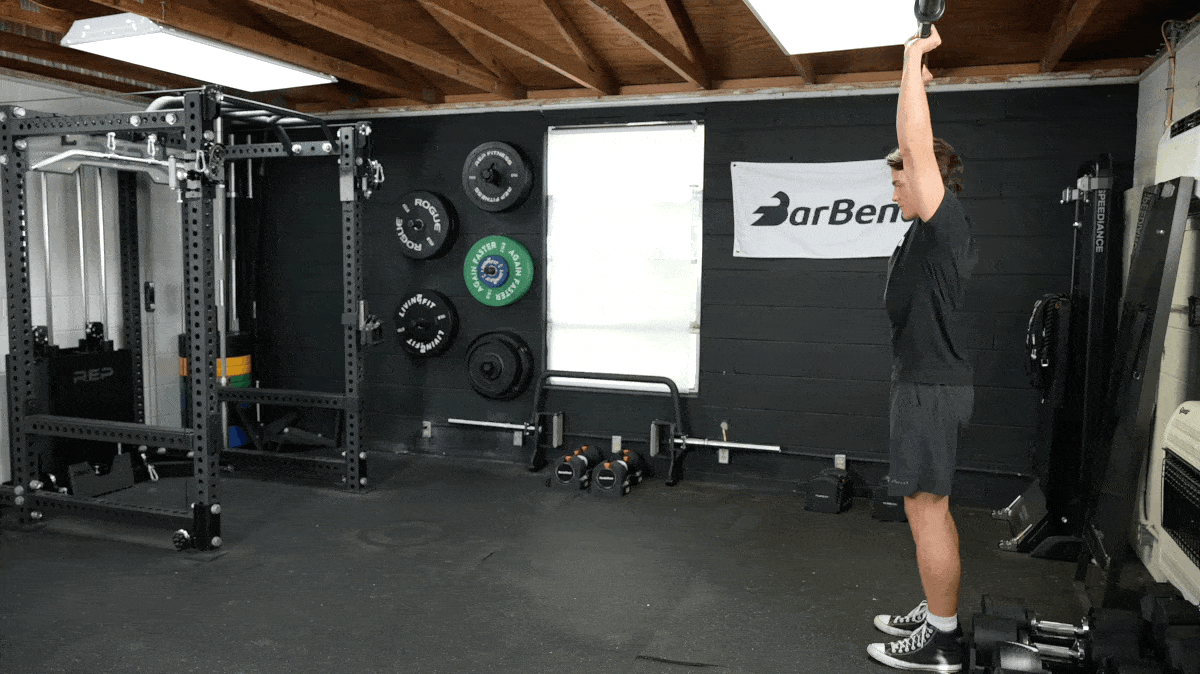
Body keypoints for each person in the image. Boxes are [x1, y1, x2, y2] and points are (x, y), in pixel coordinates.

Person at [867, 25, 978, 674]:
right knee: (922, 505)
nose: (894, 188)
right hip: (924, 384)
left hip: (932, 389)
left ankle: (943, 639)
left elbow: (915, 141)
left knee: (927, 507)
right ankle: (936, 609)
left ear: (930, 180)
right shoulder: (922, 235)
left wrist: (912, 63)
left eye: (900, 179)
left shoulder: (944, 228)